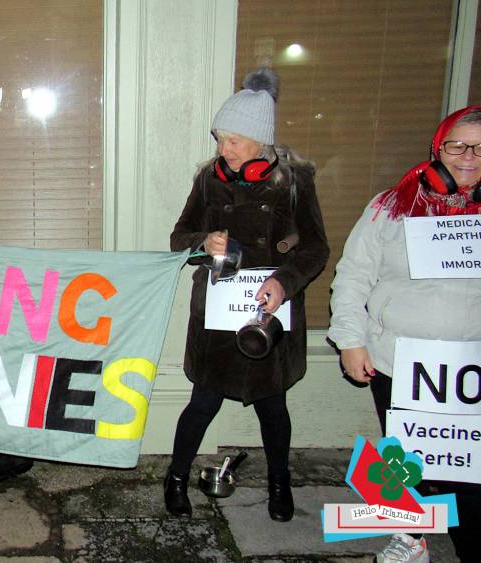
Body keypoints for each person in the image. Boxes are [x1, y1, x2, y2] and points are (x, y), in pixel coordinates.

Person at [167, 68, 330, 522]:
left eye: (234, 140)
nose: (224, 149)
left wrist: (285, 281)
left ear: (261, 141)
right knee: (203, 401)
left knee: (273, 405)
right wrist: (204, 243)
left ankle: (281, 483)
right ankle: (176, 477)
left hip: (269, 312)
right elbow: (179, 237)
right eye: (220, 138)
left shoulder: (296, 181)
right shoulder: (208, 181)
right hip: (218, 311)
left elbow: (316, 247)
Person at [328, 105, 481, 563]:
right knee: (403, 461)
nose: (468, 156)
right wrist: (350, 340)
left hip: (469, 366)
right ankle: (411, 538)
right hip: (398, 360)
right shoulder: (391, 205)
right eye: (457, 144)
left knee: (466, 468)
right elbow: (353, 275)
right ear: (438, 147)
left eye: (480, 147)